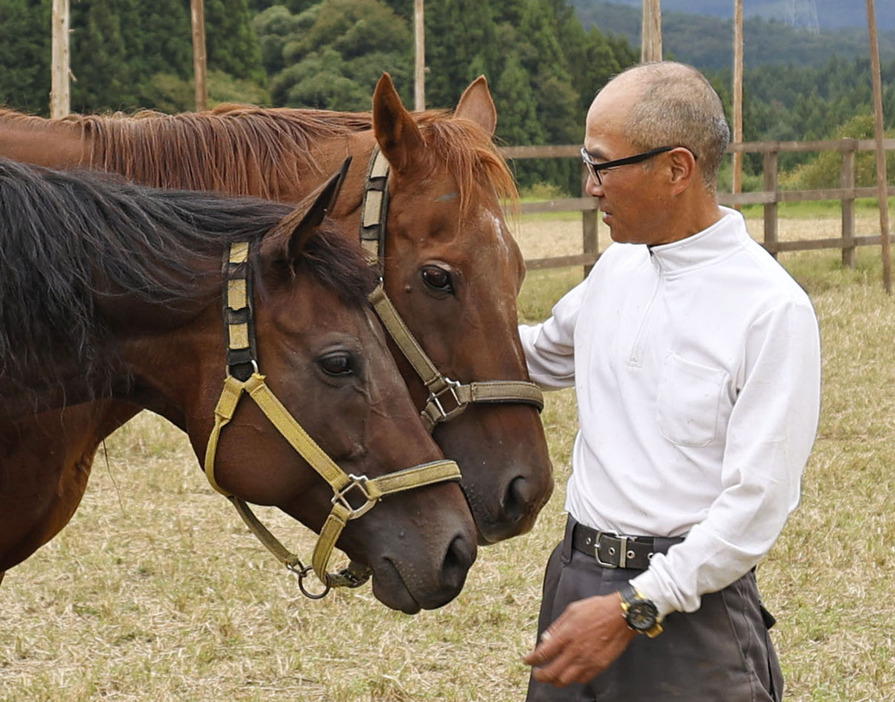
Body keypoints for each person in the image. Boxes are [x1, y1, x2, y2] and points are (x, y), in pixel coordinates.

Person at [519, 61, 821, 701]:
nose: (591, 186)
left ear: (676, 169)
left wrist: (637, 604)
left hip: (688, 615)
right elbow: (536, 357)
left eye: (602, 164)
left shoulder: (770, 310)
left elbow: (755, 508)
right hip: (574, 583)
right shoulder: (618, 268)